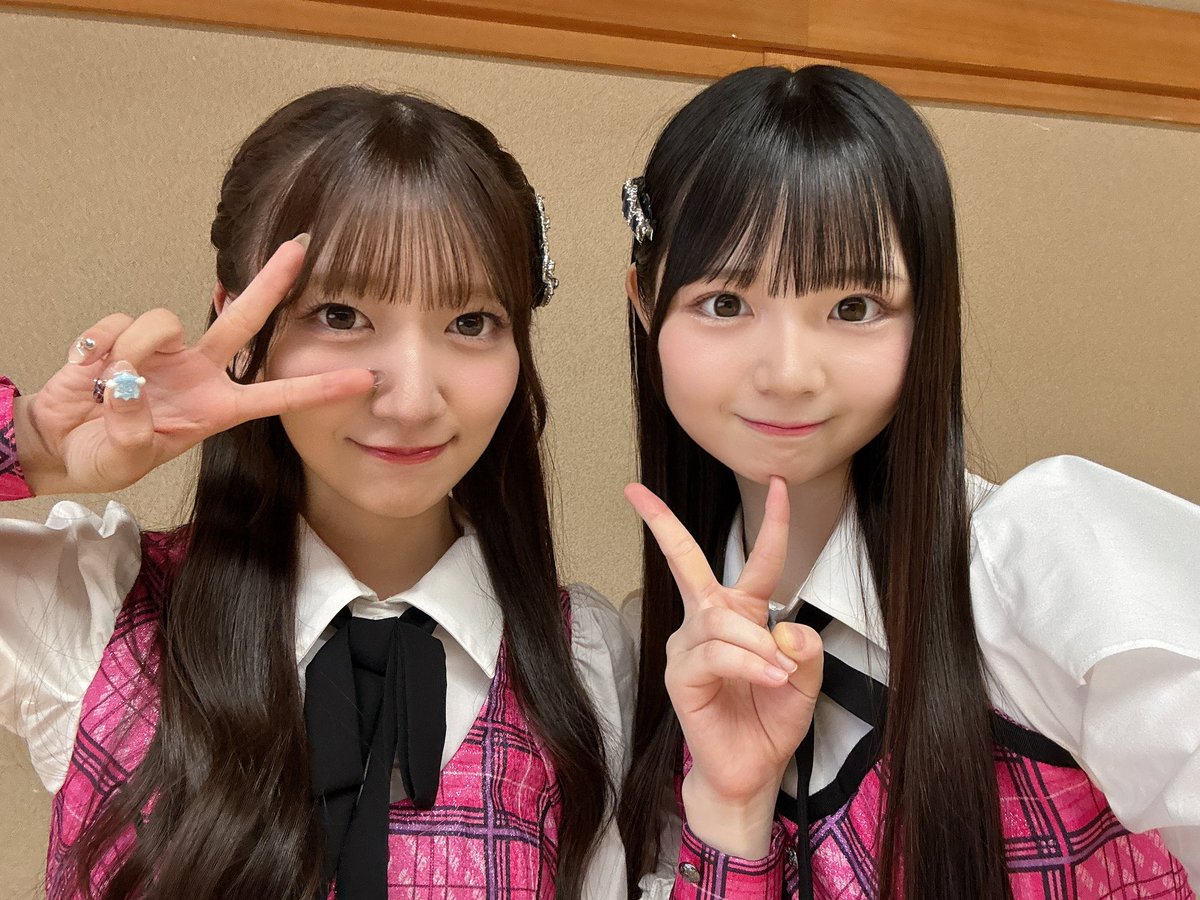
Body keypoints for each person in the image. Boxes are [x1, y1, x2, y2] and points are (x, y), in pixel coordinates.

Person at [0, 85, 631, 900]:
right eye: (339, 314)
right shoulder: (97, 611)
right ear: (241, 325)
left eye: (471, 322)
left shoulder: (582, 663)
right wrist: (33, 446)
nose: (411, 400)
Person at [616, 65, 1199, 898]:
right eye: (725, 303)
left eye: (854, 307)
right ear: (646, 304)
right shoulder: (666, 657)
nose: (787, 373)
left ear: (928, 312)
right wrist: (731, 807)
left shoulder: (1043, 558)